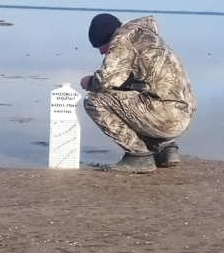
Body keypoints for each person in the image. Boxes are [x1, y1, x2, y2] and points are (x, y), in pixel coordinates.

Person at [80, 13, 197, 173]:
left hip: (164, 114)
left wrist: (90, 82)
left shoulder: (122, 39)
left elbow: (107, 81)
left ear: (107, 38)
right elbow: (125, 83)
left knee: (94, 100)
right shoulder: (145, 37)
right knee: (129, 95)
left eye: (100, 46)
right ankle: (164, 149)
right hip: (183, 114)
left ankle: (138, 156)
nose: (101, 52)